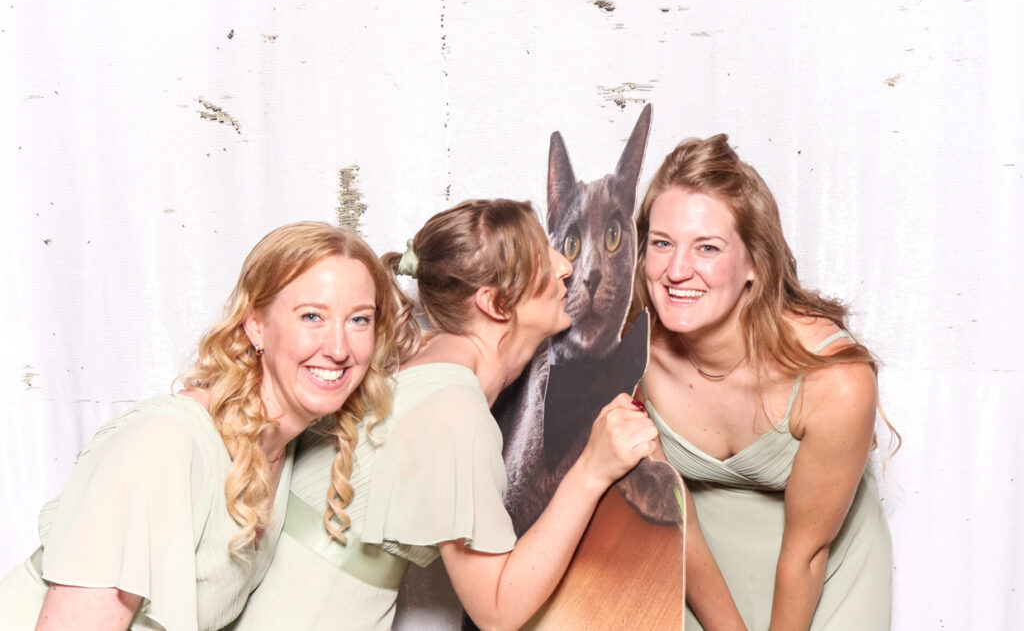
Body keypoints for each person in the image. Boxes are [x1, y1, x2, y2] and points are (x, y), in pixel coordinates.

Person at [231, 199, 658, 631]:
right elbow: (497, 609)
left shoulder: (416, 359)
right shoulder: (455, 412)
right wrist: (591, 472)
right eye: (539, 257)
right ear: (494, 303)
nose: (564, 267)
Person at [0, 222, 416, 631]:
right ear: (256, 326)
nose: (339, 348)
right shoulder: (165, 442)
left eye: (359, 320)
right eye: (312, 316)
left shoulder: (280, 446)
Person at [631, 136, 896, 631]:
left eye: (707, 247)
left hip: (822, 566)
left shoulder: (833, 379)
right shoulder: (630, 354)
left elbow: (808, 554)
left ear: (754, 263)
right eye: (662, 243)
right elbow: (672, 512)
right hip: (694, 561)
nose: (676, 270)